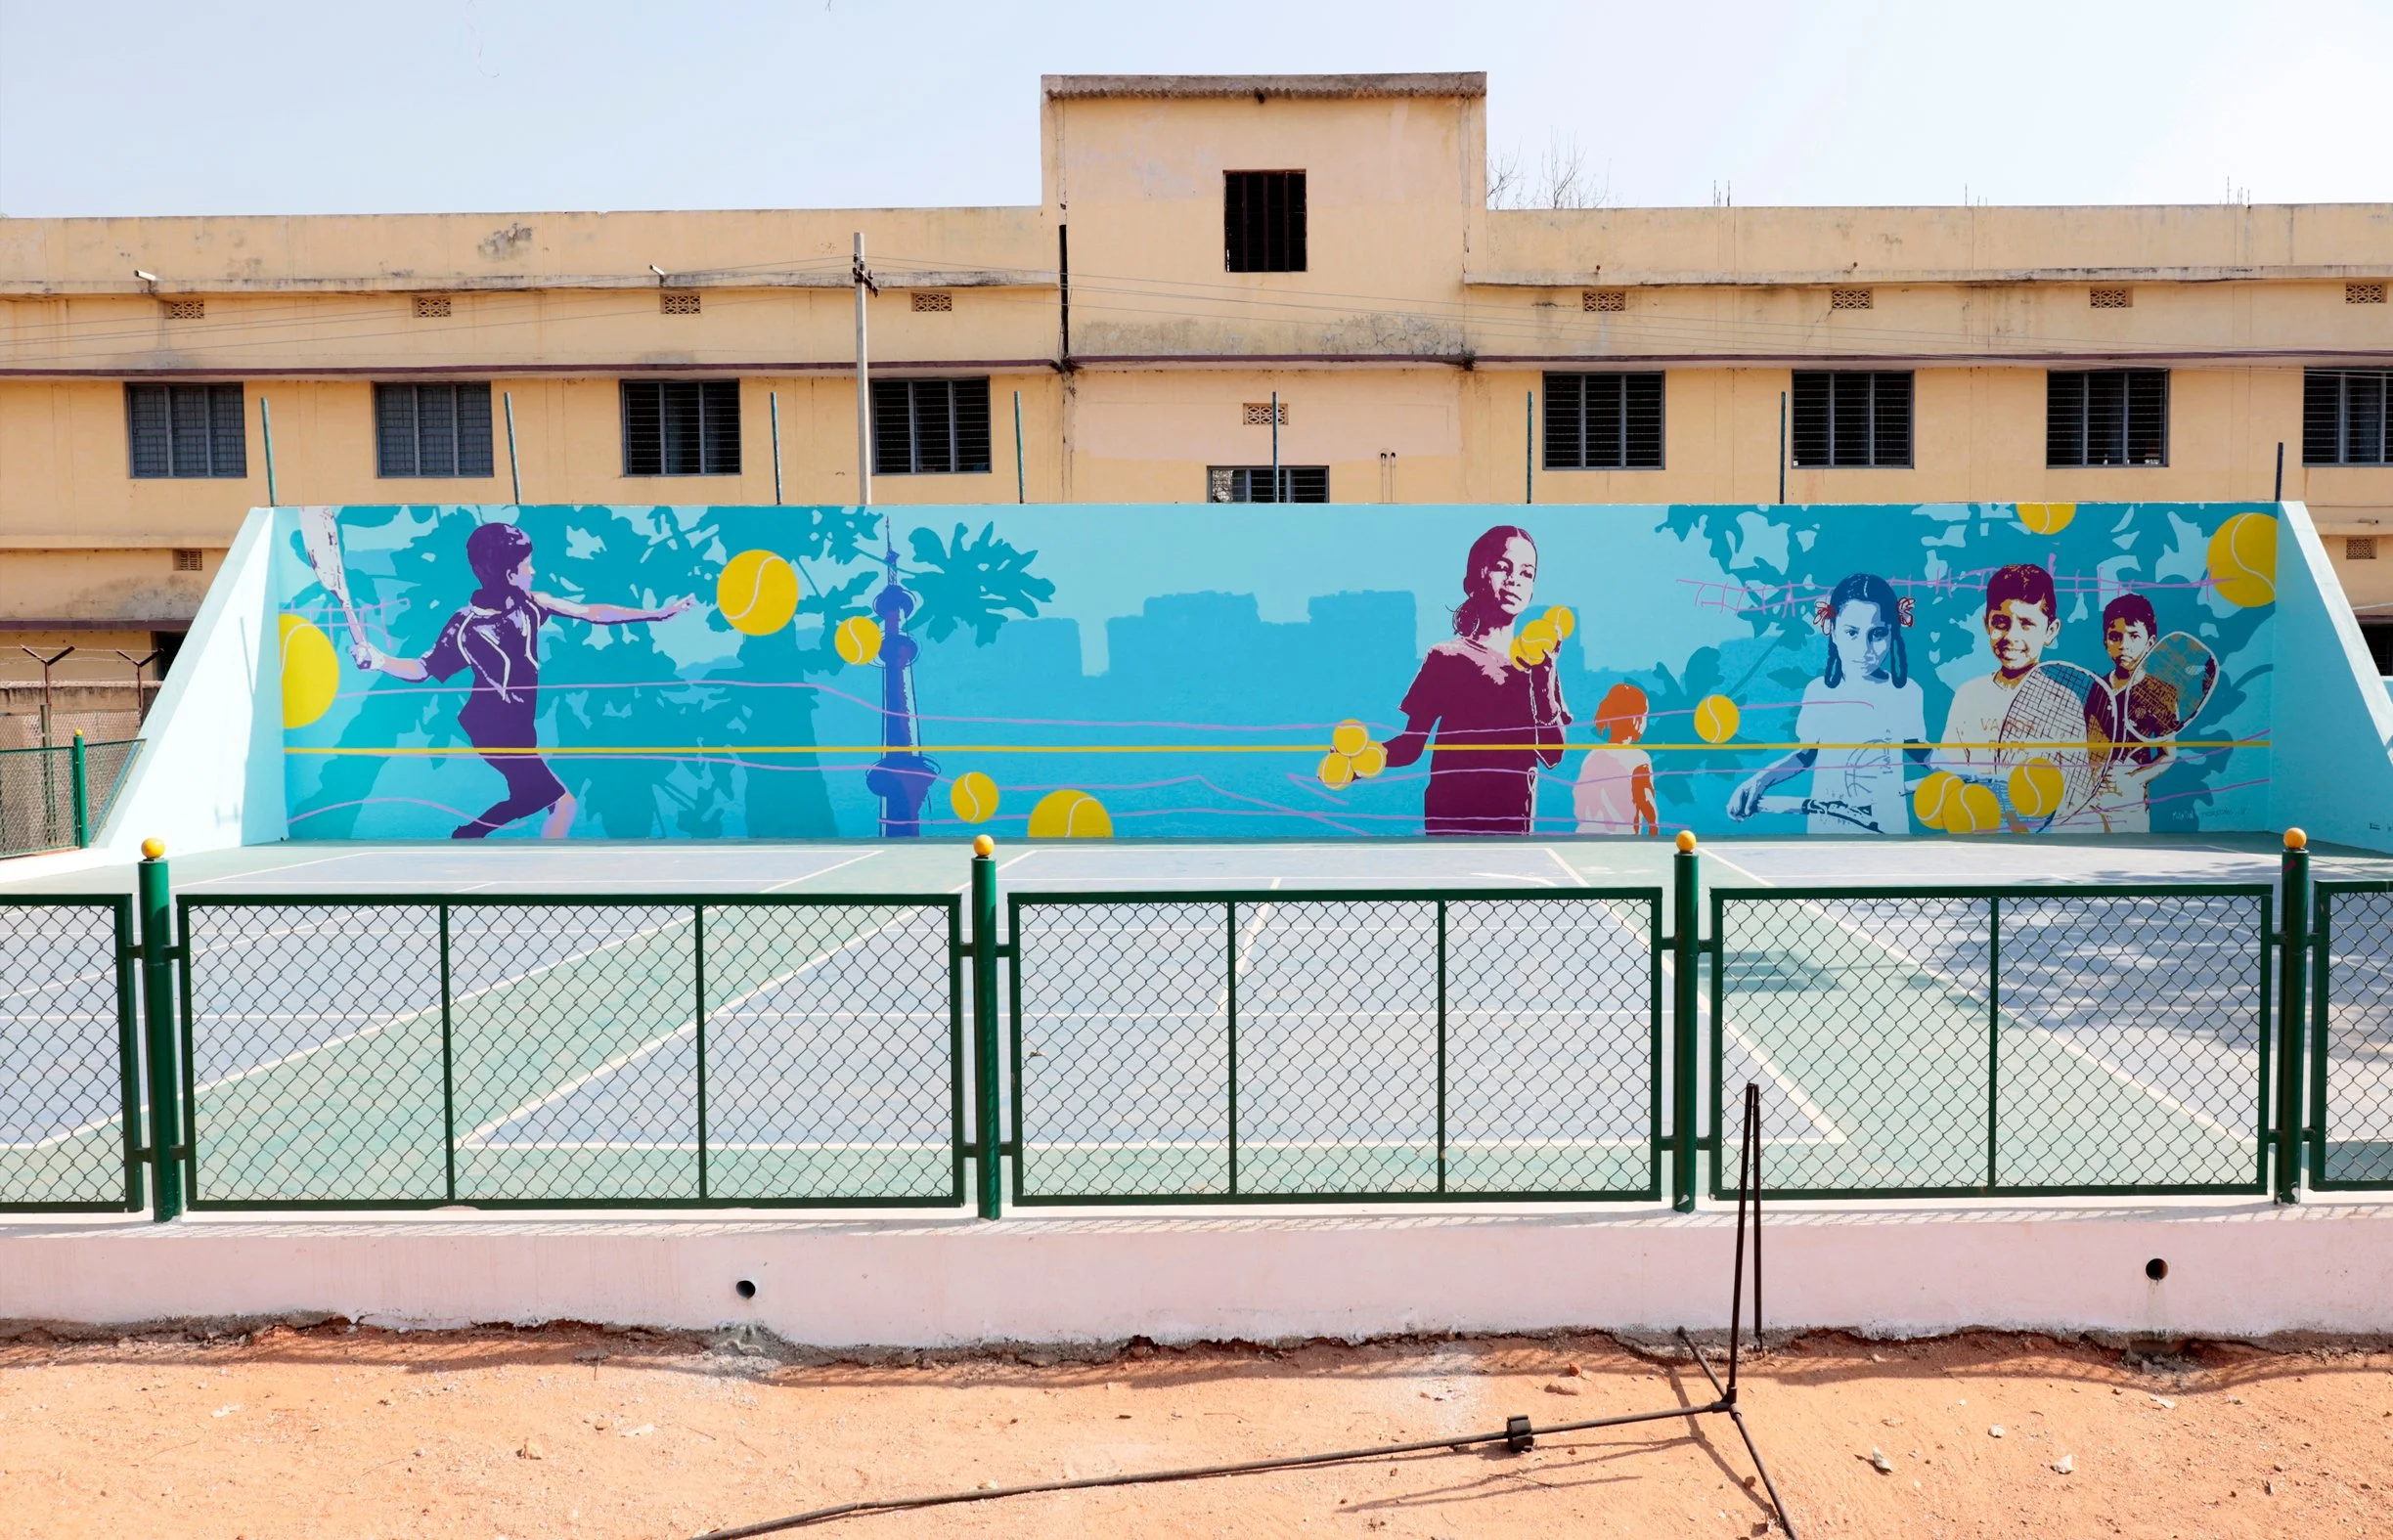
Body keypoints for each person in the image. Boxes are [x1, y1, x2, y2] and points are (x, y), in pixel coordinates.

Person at [350, 521, 693, 838]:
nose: (534, 571)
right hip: (492, 730)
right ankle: (546, 871)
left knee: (527, 798)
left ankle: (468, 835)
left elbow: (591, 612)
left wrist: (657, 614)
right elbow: (423, 669)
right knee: (562, 803)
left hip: (519, 727)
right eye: (528, 565)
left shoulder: (530, 604)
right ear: (510, 573)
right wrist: (379, 660)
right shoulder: (466, 626)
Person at [1384, 525, 1571, 836]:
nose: (1514, 579)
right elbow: (1410, 746)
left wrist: (1543, 680)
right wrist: (1362, 760)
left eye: (1527, 573)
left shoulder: (1541, 664)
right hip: (1449, 817)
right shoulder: (1445, 657)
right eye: (1502, 567)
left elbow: (1553, 753)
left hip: (1511, 822)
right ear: (1473, 581)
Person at [1727, 572, 1927, 835]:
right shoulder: (1817, 692)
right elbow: (1804, 755)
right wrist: (1759, 780)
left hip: (1890, 830)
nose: (1864, 648)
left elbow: (1921, 752)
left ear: (1892, 633)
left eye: (1877, 634)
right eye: (1852, 632)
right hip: (1827, 831)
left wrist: (1964, 769)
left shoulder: (1907, 692)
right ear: (1832, 630)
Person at [2094, 592, 2174, 832]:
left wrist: (2131, 779)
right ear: (2105, 641)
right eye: (2115, 637)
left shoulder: (2162, 693)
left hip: (2130, 801)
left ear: (2150, 642)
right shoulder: (2095, 687)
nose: (2123, 645)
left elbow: (2168, 755)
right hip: (2090, 798)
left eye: (2134, 636)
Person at [1573, 682, 1659, 835]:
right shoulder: (1639, 759)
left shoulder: (1592, 756)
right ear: (1637, 720)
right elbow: (1645, 800)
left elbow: (1580, 799)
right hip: (1623, 837)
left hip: (1586, 834)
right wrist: (1654, 828)